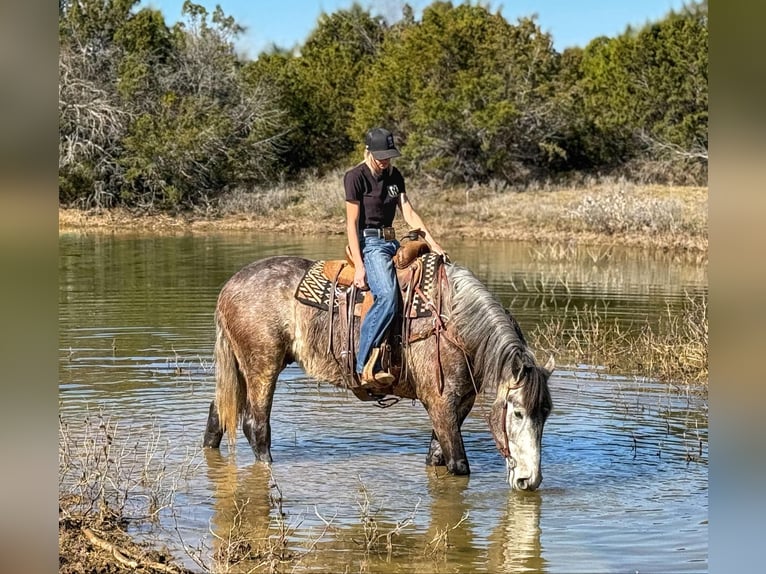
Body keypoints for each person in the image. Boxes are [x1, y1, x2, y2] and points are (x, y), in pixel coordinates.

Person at [344, 127, 446, 388]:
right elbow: (351, 224)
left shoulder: (394, 177)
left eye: (388, 156)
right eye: (380, 156)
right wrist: (359, 267)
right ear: (368, 152)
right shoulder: (355, 177)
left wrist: (432, 243)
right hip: (370, 243)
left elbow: (408, 212)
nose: (385, 160)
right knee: (387, 296)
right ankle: (363, 363)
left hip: (392, 241)